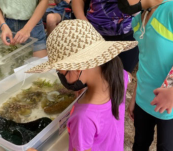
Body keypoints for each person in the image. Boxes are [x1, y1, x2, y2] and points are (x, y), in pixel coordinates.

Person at [26, 20, 137, 151]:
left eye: (60, 71)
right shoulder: (120, 76)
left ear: (77, 68)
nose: (61, 75)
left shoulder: (83, 117)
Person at [110, 0, 173, 151]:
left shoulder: (170, 10)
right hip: (144, 100)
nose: (120, 2)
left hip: (169, 105)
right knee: (139, 145)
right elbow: (145, 59)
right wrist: (136, 97)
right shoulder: (138, 20)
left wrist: (172, 90)